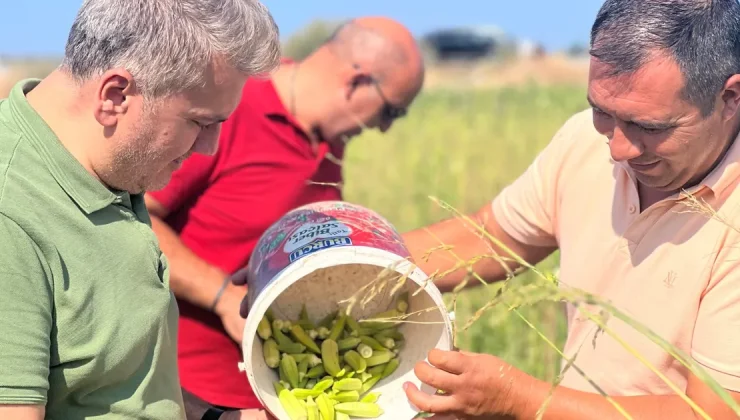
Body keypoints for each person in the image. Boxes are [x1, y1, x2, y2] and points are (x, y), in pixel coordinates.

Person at [396, 0, 740, 419]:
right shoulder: (584, 141)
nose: (617, 149)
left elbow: (716, 412)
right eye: (601, 111)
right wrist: (358, 265)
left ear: (730, 98)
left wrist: (517, 400)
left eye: (648, 128)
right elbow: (493, 236)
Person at [0, 0, 280, 419]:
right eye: (200, 123)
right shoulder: (13, 216)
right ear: (115, 95)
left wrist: (216, 418)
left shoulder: (108, 165)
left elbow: (116, 387)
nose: (209, 148)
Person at [145, 16, 425, 412]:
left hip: (282, 395)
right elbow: (136, 221)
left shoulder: (329, 144)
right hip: (187, 396)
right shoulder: (230, 109)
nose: (382, 130)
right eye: (391, 112)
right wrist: (223, 297)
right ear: (356, 82)